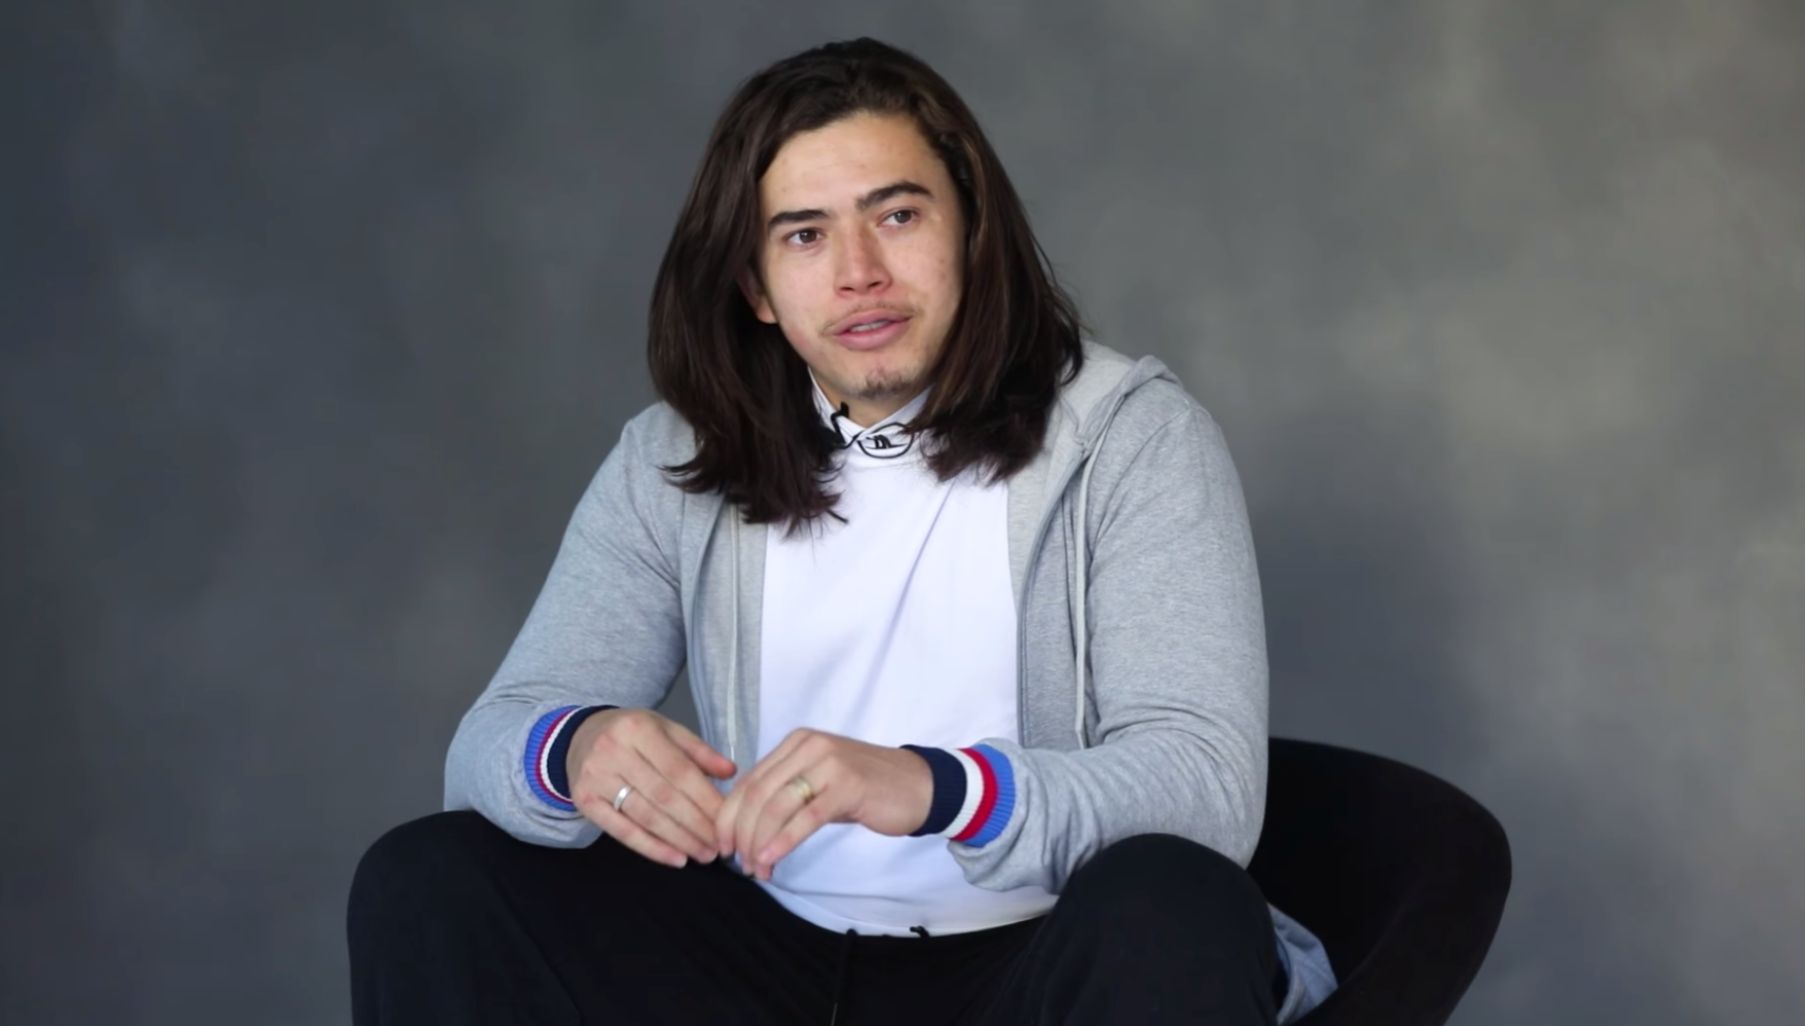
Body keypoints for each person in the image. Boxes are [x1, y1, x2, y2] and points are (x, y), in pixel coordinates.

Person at [348, 37, 1334, 1025]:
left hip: (1037, 956)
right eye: (804, 236)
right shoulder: (675, 459)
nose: (859, 272)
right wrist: (573, 749)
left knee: (1172, 903)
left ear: (971, 234)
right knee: (427, 876)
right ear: (755, 288)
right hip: (763, 955)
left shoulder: (1130, 438)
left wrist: (938, 787)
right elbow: (488, 743)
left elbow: (1203, 790)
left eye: (896, 216)